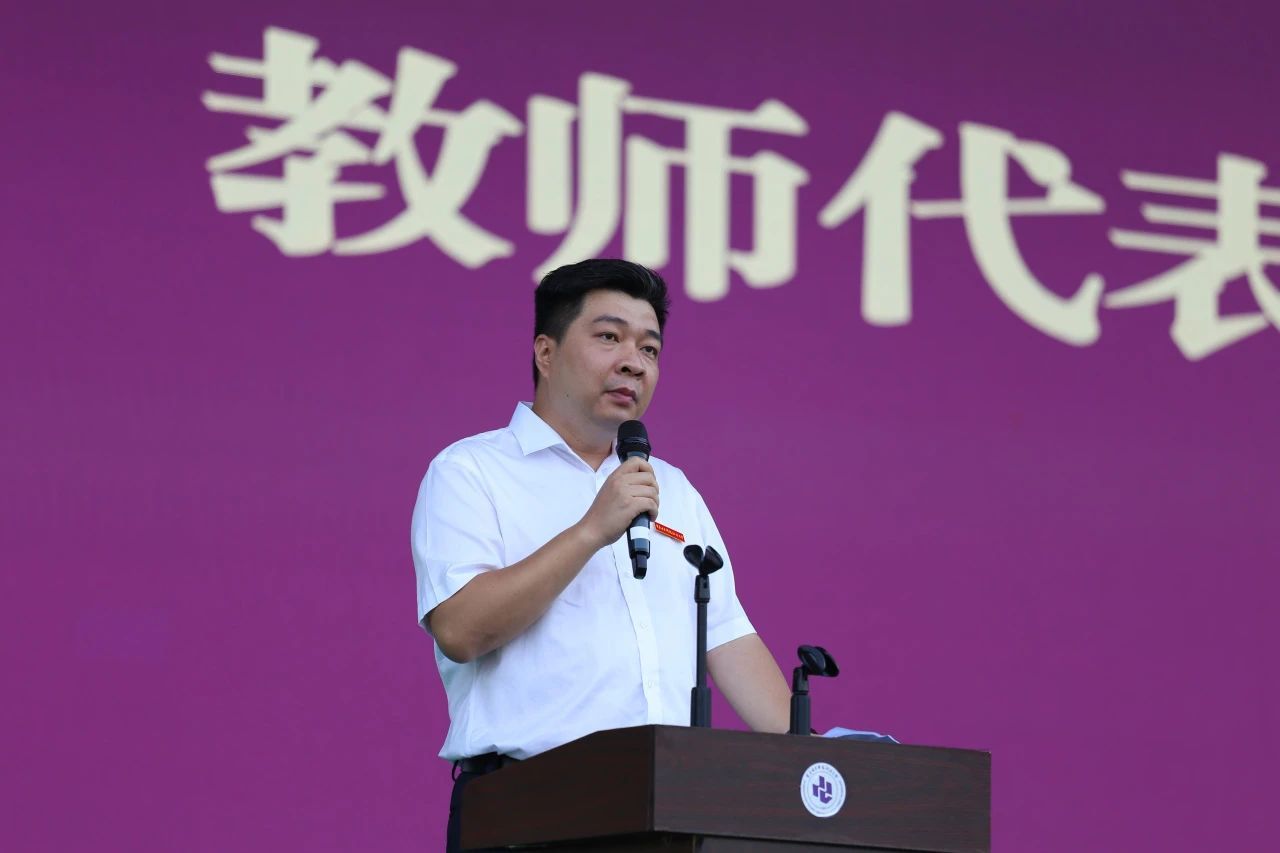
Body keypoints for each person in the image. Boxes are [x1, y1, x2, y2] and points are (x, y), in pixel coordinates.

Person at [411, 259, 792, 852]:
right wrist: (592, 530)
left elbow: (724, 636)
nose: (634, 362)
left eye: (650, 348)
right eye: (610, 337)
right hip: (530, 808)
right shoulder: (471, 472)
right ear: (546, 352)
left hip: (667, 809)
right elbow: (461, 630)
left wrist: (814, 761)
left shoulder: (673, 489)